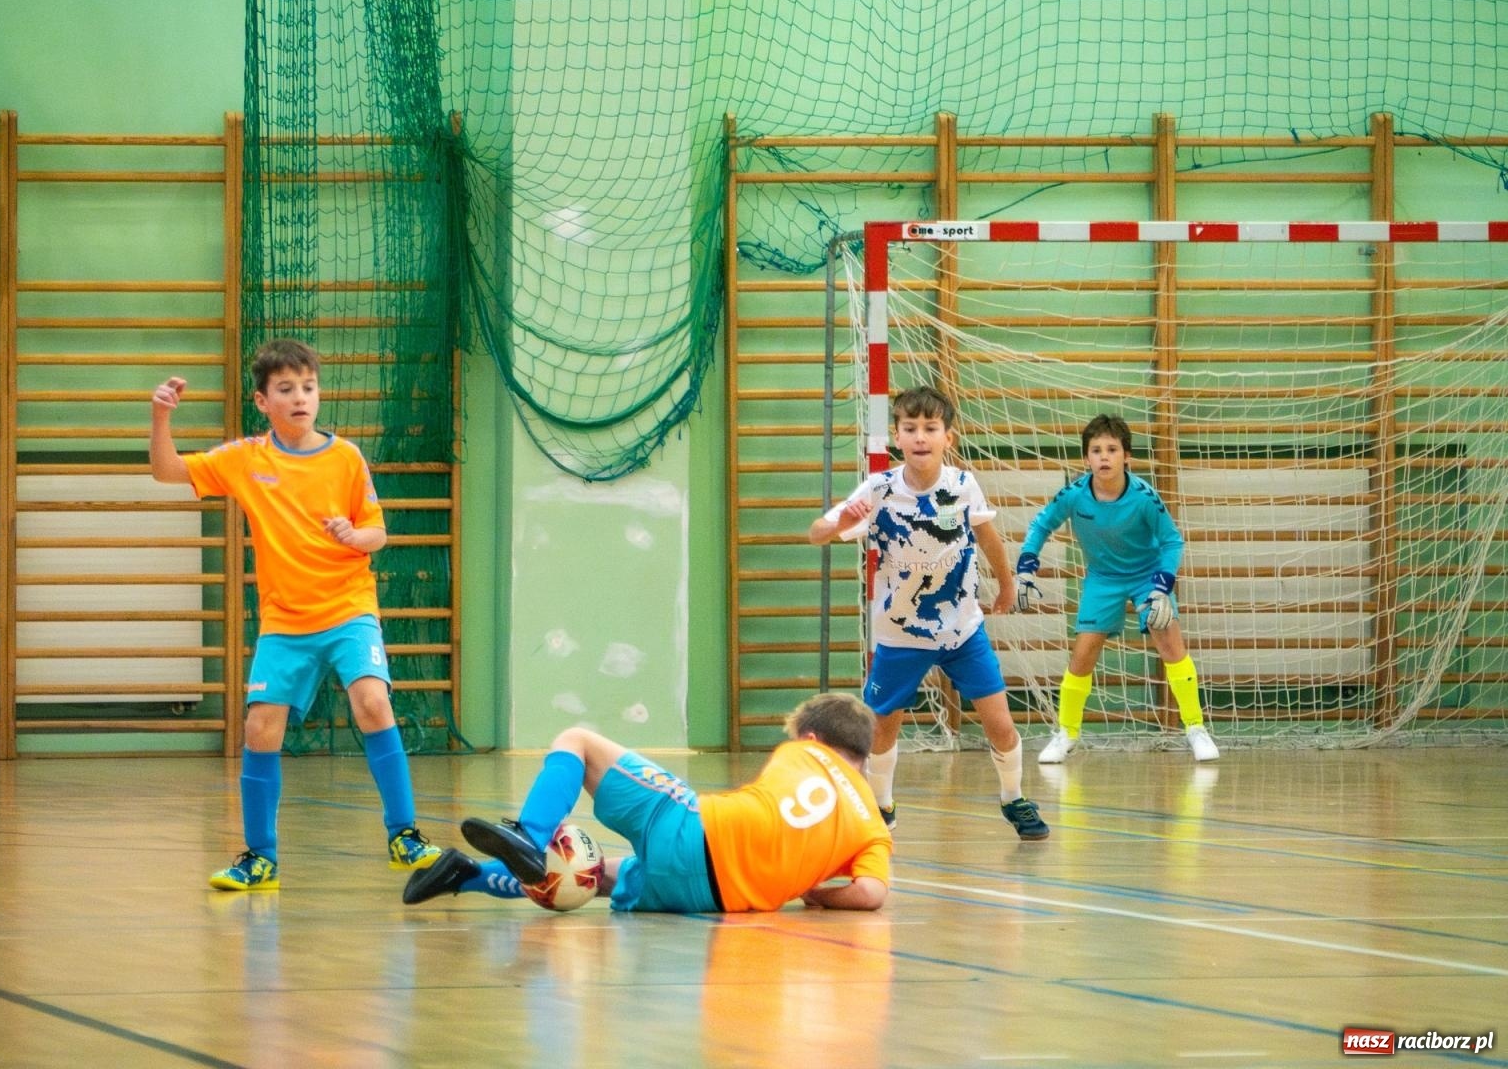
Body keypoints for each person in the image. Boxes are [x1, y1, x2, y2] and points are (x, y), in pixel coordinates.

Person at [150, 338, 442, 890]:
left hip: (349, 607)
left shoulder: (346, 458)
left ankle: (404, 836)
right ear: (263, 401)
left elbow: (377, 532)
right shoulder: (245, 460)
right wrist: (161, 416)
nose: (300, 397)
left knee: (373, 701)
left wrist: (356, 536)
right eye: (286, 389)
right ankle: (260, 858)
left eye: (308, 387)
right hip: (285, 621)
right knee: (261, 727)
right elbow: (167, 472)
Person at [806, 385, 1048, 841]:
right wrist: (839, 522)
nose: (921, 436)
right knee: (882, 728)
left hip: (962, 629)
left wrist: (1007, 581)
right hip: (900, 632)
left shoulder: (961, 485)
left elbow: (987, 535)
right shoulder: (878, 490)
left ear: (947, 438)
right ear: (897, 437)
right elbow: (816, 533)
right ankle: (882, 805)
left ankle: (1013, 797)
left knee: (1000, 723)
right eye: (910, 428)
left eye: (930, 428)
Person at [403, 693, 891, 913]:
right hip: (710, 900)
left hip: (696, 832)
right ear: (863, 757)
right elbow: (870, 894)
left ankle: (529, 836)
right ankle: (465, 876)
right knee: (588, 875)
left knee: (578, 740)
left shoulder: (800, 750)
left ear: (811, 736)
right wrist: (819, 896)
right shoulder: (873, 827)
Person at [1015, 413, 1220, 764]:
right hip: (1103, 577)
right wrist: (1026, 564)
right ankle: (1066, 733)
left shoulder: (1144, 497)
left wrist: (1162, 585)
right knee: (1083, 653)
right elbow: (1040, 524)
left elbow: (1171, 542)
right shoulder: (1073, 495)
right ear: (1086, 458)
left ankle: (1196, 728)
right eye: (1096, 450)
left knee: (1169, 642)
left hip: (1148, 575)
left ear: (1127, 456)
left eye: (1112, 449)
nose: (1104, 456)